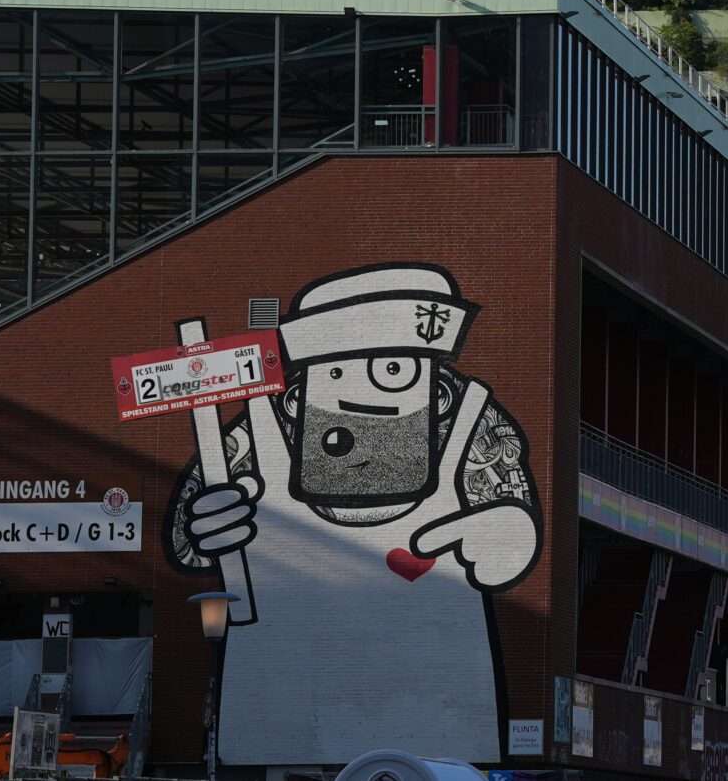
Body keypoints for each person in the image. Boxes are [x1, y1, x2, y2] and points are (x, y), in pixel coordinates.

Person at [167, 264, 540, 764]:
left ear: (438, 391)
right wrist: (205, 527)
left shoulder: (473, 427)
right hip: (278, 737)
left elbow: (513, 522)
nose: (361, 398)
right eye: (336, 373)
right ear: (299, 399)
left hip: (443, 743)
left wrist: (506, 540)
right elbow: (188, 537)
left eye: (393, 372)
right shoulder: (258, 435)